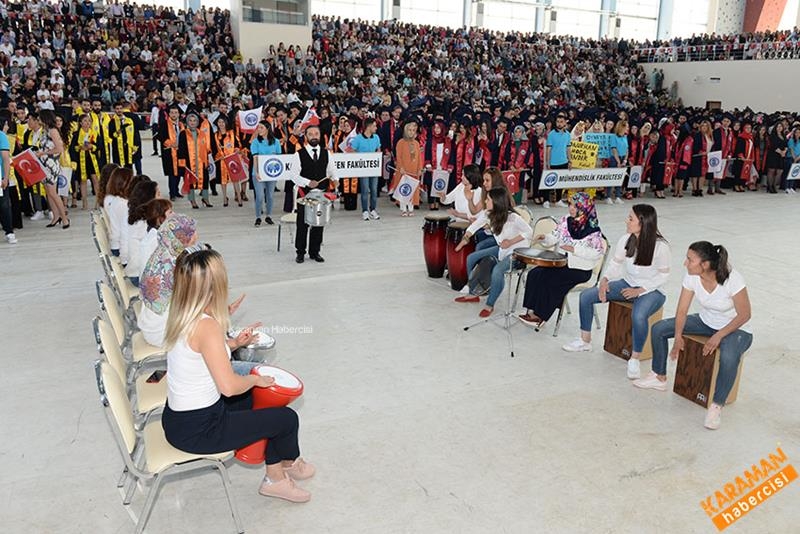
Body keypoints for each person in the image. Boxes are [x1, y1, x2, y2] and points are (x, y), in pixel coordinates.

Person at [161, 249, 314, 503]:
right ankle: (281, 472)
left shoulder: (183, 313)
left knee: (266, 403)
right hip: (200, 429)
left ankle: (281, 468)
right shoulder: (207, 326)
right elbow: (229, 387)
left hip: (180, 420)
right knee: (285, 419)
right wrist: (254, 379)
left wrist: (231, 344)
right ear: (214, 285)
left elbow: (200, 355)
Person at [634, 242, 752, 430]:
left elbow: (745, 314)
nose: (685, 263)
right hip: (705, 322)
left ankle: (716, 405)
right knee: (659, 329)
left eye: (690, 260)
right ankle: (659, 376)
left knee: (729, 357)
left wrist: (719, 336)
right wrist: (678, 337)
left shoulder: (732, 279)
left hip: (734, 329)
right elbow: (682, 310)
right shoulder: (691, 277)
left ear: (704, 264)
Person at [562, 204, 671, 381]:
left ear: (643, 223)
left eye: (630, 218)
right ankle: (585, 341)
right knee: (586, 296)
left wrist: (640, 290)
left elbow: (664, 276)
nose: (626, 221)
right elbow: (615, 264)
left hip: (653, 290)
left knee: (638, 314)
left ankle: (634, 358)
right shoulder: (626, 239)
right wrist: (605, 280)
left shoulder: (661, 247)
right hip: (628, 283)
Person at [519, 193, 605, 327]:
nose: (571, 208)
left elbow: (596, 253)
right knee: (535, 273)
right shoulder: (566, 220)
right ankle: (531, 309)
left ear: (584, 208)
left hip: (581, 269)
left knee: (552, 280)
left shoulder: (593, 229)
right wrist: (544, 238)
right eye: (570, 204)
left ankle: (540, 316)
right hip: (562, 263)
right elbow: (555, 236)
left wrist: (574, 249)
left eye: (576, 206)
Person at [453, 187, 532, 317]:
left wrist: (511, 241)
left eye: (488, 199)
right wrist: (465, 238)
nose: (485, 201)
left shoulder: (513, 217)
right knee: (471, 258)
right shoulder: (488, 214)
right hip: (503, 249)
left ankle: (490, 305)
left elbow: (529, 232)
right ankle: (474, 293)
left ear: (496, 201)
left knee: (497, 270)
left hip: (518, 252)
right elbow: (475, 226)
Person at [138, 213, 199, 346]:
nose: (195, 236)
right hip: (161, 332)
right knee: (209, 330)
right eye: (191, 233)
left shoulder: (162, 253)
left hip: (150, 325)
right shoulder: (174, 265)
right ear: (180, 237)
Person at [290, 123, 337, 263]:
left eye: (316, 134)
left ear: (320, 136)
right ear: (306, 136)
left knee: (318, 223)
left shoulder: (327, 153)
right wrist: (307, 182)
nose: (313, 137)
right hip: (305, 194)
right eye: (310, 134)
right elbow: (293, 175)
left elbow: (332, 171)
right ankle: (300, 252)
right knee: (302, 224)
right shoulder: (299, 154)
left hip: (321, 194)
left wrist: (336, 180)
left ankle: (315, 252)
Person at [36, 110, 69, 229]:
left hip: (51, 164)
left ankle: (64, 218)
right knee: (48, 193)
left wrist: (43, 153)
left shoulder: (53, 131)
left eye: (39, 118)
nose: (38, 120)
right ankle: (56, 216)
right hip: (44, 164)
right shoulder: (44, 131)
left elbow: (59, 149)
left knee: (53, 193)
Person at [178, 110, 217, 209]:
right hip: (189, 162)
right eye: (190, 120)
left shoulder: (202, 134)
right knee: (190, 181)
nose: (192, 122)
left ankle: (205, 198)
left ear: (197, 122)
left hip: (201, 161)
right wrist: (183, 164)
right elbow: (181, 149)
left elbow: (205, 148)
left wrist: (207, 162)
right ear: (187, 122)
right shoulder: (183, 134)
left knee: (204, 180)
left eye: (194, 120)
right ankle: (192, 200)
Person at [125, 178, 159, 286]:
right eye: (158, 194)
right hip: (139, 275)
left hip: (136, 271)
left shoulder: (139, 218)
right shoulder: (144, 225)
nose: (161, 197)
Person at [350, 117, 382, 221]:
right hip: (363, 169)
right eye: (374, 126)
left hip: (374, 168)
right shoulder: (358, 138)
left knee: (374, 190)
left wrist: (377, 154)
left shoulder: (376, 137)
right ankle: (364, 210)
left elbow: (378, 148)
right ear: (368, 127)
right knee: (364, 190)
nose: (376, 128)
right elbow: (351, 150)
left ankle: (373, 209)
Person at [250, 121, 281, 226]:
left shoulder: (276, 142)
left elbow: (279, 158)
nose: (259, 130)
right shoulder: (255, 142)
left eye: (261, 128)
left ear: (267, 129)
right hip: (258, 172)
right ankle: (258, 216)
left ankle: (269, 216)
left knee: (270, 195)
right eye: (258, 128)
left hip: (271, 172)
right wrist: (257, 172)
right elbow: (255, 158)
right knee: (259, 196)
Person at [69, 114, 100, 210]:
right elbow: (72, 148)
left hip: (92, 159)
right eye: (85, 121)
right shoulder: (76, 134)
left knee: (95, 179)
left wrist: (92, 147)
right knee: (83, 181)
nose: (87, 123)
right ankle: (84, 203)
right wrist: (79, 148)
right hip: (81, 159)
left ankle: (98, 203)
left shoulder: (94, 133)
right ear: (80, 123)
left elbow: (99, 146)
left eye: (89, 121)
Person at [392, 121, 424, 216]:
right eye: (409, 130)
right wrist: (401, 167)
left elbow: (419, 158)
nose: (411, 132)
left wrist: (420, 168)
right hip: (404, 170)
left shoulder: (416, 143)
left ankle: (411, 208)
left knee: (412, 189)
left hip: (413, 170)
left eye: (413, 130)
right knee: (404, 189)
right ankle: (403, 209)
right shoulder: (401, 142)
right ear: (406, 131)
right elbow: (399, 157)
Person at [103, 167, 133, 261]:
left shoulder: (114, 199)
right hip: (120, 247)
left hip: (117, 243)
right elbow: (127, 232)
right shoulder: (122, 204)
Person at [214, 116, 242, 207]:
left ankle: (239, 197)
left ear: (226, 123)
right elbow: (213, 148)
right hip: (221, 160)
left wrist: (237, 149)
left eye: (223, 122)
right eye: (219, 122)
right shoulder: (215, 135)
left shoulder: (232, 133)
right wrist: (218, 156)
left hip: (232, 158)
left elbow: (238, 144)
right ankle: (224, 198)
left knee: (235, 179)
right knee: (223, 180)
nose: (221, 124)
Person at [159, 105, 184, 201]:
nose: (174, 114)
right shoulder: (164, 124)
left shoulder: (181, 125)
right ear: (169, 114)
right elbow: (161, 137)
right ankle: (172, 193)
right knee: (172, 174)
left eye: (176, 113)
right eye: (172, 112)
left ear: (179, 114)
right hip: (169, 153)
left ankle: (176, 191)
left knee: (179, 173)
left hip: (180, 153)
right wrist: (171, 144)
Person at [0, 113, 16, 244]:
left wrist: (5, 178)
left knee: (4, 205)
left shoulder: (1, 136)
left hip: (0, 175)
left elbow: (5, 159)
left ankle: (9, 231)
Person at [107, 101, 137, 169]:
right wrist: (117, 132)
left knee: (129, 168)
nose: (119, 110)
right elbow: (110, 135)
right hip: (117, 148)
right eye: (117, 109)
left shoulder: (129, 120)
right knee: (118, 168)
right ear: (114, 110)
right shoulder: (112, 122)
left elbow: (134, 134)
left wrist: (135, 145)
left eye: (120, 108)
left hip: (128, 148)